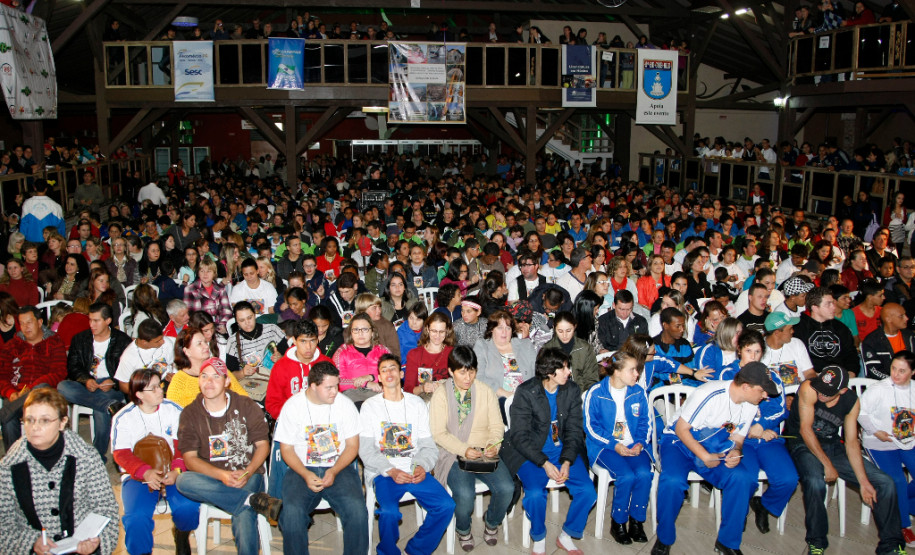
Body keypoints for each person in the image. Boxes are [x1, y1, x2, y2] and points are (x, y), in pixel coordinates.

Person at [652, 362, 778, 555]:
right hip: (678, 441)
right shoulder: (710, 393)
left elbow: (737, 437)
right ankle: (664, 538)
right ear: (746, 387)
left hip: (714, 443)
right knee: (672, 481)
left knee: (741, 478)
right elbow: (681, 429)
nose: (765, 396)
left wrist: (736, 450)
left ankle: (728, 542)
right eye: (762, 391)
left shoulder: (752, 404)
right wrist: (704, 456)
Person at [786, 365, 906, 555]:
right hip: (802, 443)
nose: (822, 395)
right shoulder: (809, 388)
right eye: (821, 389)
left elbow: (851, 443)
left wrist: (864, 482)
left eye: (828, 393)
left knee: (885, 483)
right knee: (815, 482)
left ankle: (891, 546)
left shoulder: (852, 402)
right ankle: (817, 542)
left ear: (842, 390)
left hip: (832, 446)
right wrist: (827, 466)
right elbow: (805, 430)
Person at [175, 357, 282, 554]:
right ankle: (253, 500)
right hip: (212, 479)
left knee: (243, 515)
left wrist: (248, 472)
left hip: (248, 474)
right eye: (204, 376)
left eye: (216, 377)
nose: (209, 382)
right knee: (182, 480)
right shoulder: (190, 413)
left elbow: (262, 445)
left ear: (226, 381)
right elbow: (190, 459)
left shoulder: (246, 405)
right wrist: (222, 475)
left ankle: (247, 499)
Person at [0, 388, 119, 555]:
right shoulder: (8, 467)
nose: (35, 427)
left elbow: (106, 509)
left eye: (45, 420)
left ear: (63, 422)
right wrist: (31, 543)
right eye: (29, 420)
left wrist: (96, 541)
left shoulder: (86, 457)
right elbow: (3, 524)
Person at [501, 347, 596, 554]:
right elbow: (519, 436)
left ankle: (567, 534)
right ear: (549, 372)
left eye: (567, 367)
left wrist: (567, 461)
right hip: (530, 454)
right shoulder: (526, 392)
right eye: (563, 368)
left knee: (588, 492)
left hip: (562, 452)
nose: (568, 372)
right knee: (534, 495)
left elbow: (574, 430)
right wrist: (544, 463)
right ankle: (539, 536)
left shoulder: (571, 390)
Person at [359, 353, 455, 555]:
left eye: (393, 368)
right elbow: (366, 449)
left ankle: (417, 549)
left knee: (446, 505)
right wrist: (390, 470)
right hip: (385, 471)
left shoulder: (416, 404)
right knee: (389, 512)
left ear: (401, 373)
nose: (389, 373)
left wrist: (422, 466)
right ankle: (387, 550)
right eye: (384, 370)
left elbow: (429, 445)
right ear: (378, 377)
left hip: (414, 467)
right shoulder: (369, 407)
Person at [274, 361, 369, 555]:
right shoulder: (293, 406)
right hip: (302, 468)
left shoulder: (345, 404)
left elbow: (352, 447)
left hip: (339, 467)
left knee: (357, 511)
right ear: (313, 386)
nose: (335, 391)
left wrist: (333, 471)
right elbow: (287, 449)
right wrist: (306, 474)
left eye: (337, 385)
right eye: (329, 387)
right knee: (291, 514)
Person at [429, 346, 513, 550]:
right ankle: (463, 529)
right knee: (465, 495)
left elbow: (496, 426)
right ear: (450, 371)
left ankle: (492, 522)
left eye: (472, 371)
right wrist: (464, 449)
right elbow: (438, 433)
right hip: (454, 453)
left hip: (484, 451)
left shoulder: (485, 391)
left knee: (507, 488)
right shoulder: (441, 395)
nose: (468, 377)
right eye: (462, 372)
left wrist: (493, 446)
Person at [111, 368, 199, 555]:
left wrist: (176, 470)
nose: (161, 390)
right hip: (138, 476)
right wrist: (145, 472)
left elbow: (183, 445)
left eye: (160, 385)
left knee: (188, 508)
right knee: (136, 519)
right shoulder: (124, 418)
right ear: (139, 394)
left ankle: (182, 535)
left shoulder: (173, 410)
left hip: (173, 471)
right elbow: (121, 454)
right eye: (154, 388)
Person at [719, 332, 800, 537]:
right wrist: (750, 429)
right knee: (746, 478)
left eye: (757, 352)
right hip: (738, 439)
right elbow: (723, 411)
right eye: (748, 351)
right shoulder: (727, 374)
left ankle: (765, 505)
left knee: (788, 478)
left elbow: (780, 408)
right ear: (739, 350)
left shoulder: (770, 375)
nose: (753, 357)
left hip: (766, 437)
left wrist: (762, 425)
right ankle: (739, 514)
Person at [583, 351, 652, 545]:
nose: (637, 374)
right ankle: (618, 522)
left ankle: (637, 521)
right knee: (626, 475)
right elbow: (590, 427)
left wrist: (640, 442)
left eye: (637, 370)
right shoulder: (596, 393)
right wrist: (615, 445)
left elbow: (646, 423)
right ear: (617, 372)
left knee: (645, 474)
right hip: (604, 446)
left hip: (633, 444)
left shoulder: (639, 392)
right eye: (632, 370)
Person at [56, 302, 131, 459]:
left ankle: (96, 455)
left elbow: (130, 371)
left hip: (111, 387)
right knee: (62, 386)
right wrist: (86, 380)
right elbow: (73, 366)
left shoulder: (123, 341)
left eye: (96, 320)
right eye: (90, 320)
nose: (92, 324)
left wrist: (113, 381)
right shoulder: (80, 339)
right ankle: (109, 406)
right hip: (88, 384)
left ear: (108, 321)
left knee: (100, 406)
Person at [859, 350, 915, 545]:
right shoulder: (879, 389)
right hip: (880, 442)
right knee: (897, 480)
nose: (896, 374)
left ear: (912, 373)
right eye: (893, 369)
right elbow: (861, 413)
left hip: (906, 441)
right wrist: (875, 432)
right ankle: (903, 525)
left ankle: (904, 504)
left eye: (902, 371)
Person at [0, 306, 67, 448]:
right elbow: (2, 375)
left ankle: (4, 414)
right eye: (22, 323)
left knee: (40, 387)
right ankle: (14, 461)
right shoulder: (12, 345)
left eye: (29, 322)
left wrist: (31, 388)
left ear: (39, 322)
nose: (25, 327)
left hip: (44, 392)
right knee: (10, 419)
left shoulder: (54, 342)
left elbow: (59, 372)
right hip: (16, 395)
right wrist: (10, 393)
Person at [265, 319, 333, 420]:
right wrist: (292, 418)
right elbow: (273, 403)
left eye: (312, 341)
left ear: (318, 340)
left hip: (321, 418)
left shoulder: (327, 364)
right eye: (303, 341)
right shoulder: (281, 366)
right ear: (294, 341)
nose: (308, 347)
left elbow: (335, 395)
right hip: (291, 420)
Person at [167, 328, 248, 408]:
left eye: (205, 342)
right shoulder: (178, 384)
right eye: (199, 343)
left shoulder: (218, 367)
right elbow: (176, 416)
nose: (206, 346)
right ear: (187, 351)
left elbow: (242, 396)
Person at [225, 301, 286, 402]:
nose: (247, 323)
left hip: (276, 379)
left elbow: (293, 356)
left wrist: (282, 358)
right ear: (237, 322)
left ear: (255, 315)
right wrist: (242, 373)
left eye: (249, 318)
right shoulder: (233, 342)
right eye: (242, 320)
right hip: (253, 384)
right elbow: (231, 375)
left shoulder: (272, 329)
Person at [473, 309, 536, 404]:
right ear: (491, 330)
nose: (504, 332)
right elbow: (478, 377)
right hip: (496, 400)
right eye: (499, 328)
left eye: (508, 328)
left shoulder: (526, 345)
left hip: (526, 400)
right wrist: (507, 395)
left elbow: (537, 374)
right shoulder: (482, 346)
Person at [794, 287, 861, 374]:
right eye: (828, 304)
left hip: (839, 377)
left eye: (833, 303)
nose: (833, 307)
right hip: (812, 378)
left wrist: (851, 372)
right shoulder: (799, 328)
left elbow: (851, 355)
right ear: (815, 308)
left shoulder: (840, 328)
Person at [114, 318, 177, 392]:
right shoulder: (128, 357)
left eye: (162, 338)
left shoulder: (167, 342)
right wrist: (143, 393)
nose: (162, 342)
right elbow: (124, 385)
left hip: (166, 383)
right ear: (144, 342)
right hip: (145, 389)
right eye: (157, 341)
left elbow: (175, 362)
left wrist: (173, 374)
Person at [543, 311, 600, 391]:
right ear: (554, 328)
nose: (564, 335)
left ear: (575, 327)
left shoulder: (585, 348)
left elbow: (592, 378)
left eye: (568, 330)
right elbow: (544, 379)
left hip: (581, 395)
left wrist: (584, 396)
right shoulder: (548, 349)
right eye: (560, 331)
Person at [404, 311, 455, 399]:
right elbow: (408, 390)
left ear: (447, 331)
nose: (437, 336)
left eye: (441, 331)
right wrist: (422, 388)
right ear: (427, 329)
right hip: (423, 401)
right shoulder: (414, 354)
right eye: (434, 331)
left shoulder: (452, 353)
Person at [862, 302, 915, 380]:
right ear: (888, 319)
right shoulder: (872, 341)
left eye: (905, 315)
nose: (906, 318)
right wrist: (896, 380)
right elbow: (874, 370)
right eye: (901, 316)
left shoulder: (910, 336)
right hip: (885, 385)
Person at [760, 311, 816, 384]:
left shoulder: (797, 344)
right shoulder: (758, 350)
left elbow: (809, 373)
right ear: (777, 333)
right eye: (790, 329)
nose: (793, 331)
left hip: (799, 393)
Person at [183, 258, 233, 333]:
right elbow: (187, 313)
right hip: (198, 329)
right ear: (198, 273)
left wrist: (222, 324)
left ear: (214, 273)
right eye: (202, 271)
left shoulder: (220, 289)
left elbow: (227, 311)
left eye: (209, 271)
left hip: (218, 327)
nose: (205, 274)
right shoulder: (190, 289)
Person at [19, 178, 65, 242]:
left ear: (34, 188)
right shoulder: (55, 205)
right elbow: (60, 226)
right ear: (46, 189)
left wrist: (21, 241)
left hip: (31, 242)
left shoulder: (27, 203)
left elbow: (23, 225)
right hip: (50, 241)